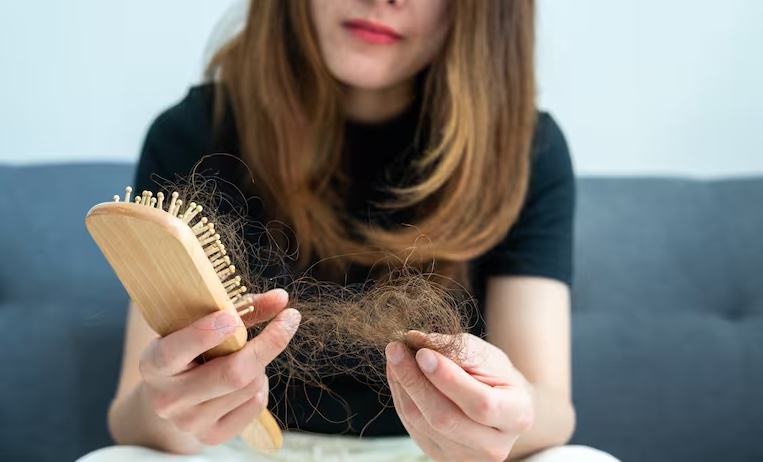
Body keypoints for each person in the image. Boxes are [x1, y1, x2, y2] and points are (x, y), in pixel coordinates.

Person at [78, 1, 620, 461]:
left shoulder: (526, 150)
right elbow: (130, 418)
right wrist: (174, 403)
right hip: (236, 448)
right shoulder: (192, 133)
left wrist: (510, 411)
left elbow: (553, 408)